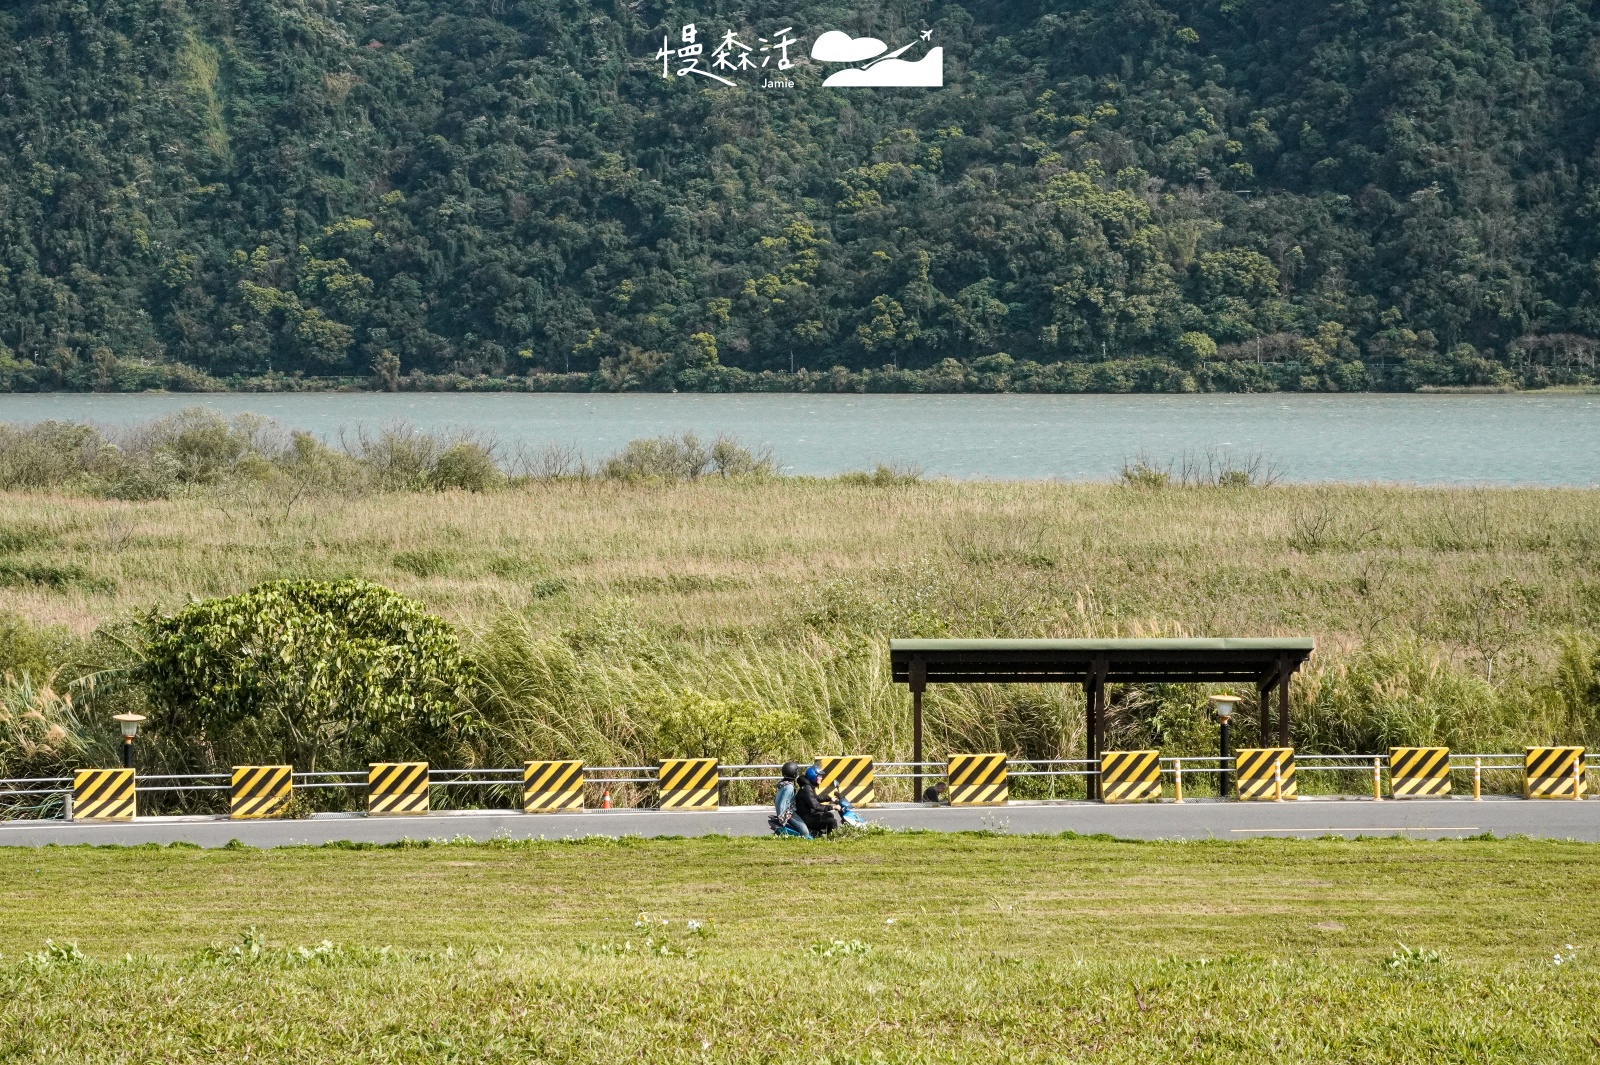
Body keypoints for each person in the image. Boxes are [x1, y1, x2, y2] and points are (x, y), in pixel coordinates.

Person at [794, 765, 842, 836]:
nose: (821, 778)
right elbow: (815, 806)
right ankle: (833, 839)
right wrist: (832, 807)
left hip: (809, 815)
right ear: (813, 776)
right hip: (807, 818)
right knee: (832, 822)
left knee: (829, 815)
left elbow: (815, 798)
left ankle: (821, 835)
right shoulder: (807, 789)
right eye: (819, 776)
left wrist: (829, 798)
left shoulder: (808, 786)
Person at [772, 762, 812, 838]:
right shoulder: (789, 787)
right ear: (793, 773)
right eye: (796, 771)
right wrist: (782, 817)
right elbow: (782, 803)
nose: (797, 773)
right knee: (805, 831)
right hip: (788, 814)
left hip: (788, 812)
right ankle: (805, 842)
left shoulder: (783, 784)